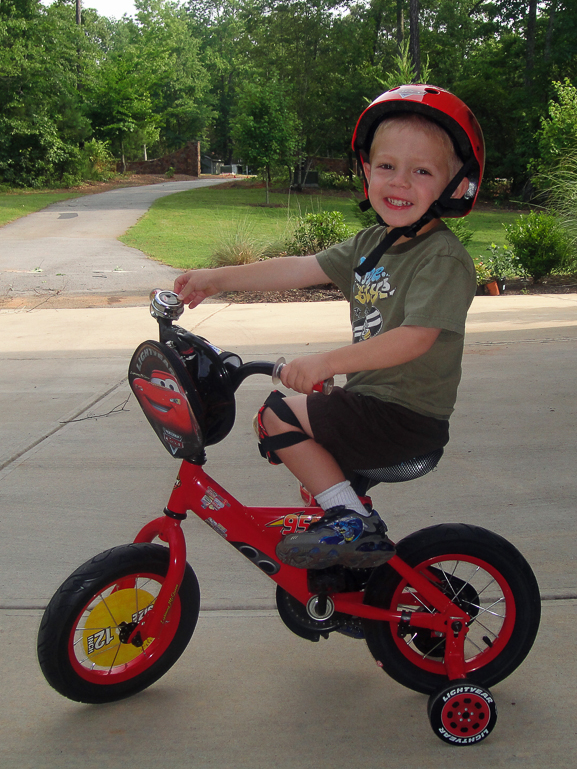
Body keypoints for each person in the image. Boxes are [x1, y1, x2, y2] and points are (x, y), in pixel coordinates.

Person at [174, 84, 485, 571]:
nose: (399, 182)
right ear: (366, 171)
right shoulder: (370, 245)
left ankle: (350, 520)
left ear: (455, 184)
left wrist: (325, 361)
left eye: (421, 171)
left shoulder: (442, 257)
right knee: (308, 474)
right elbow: (298, 268)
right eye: (387, 166)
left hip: (404, 417)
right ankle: (365, 583)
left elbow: (414, 338)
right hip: (375, 407)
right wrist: (217, 279)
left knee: (279, 414)